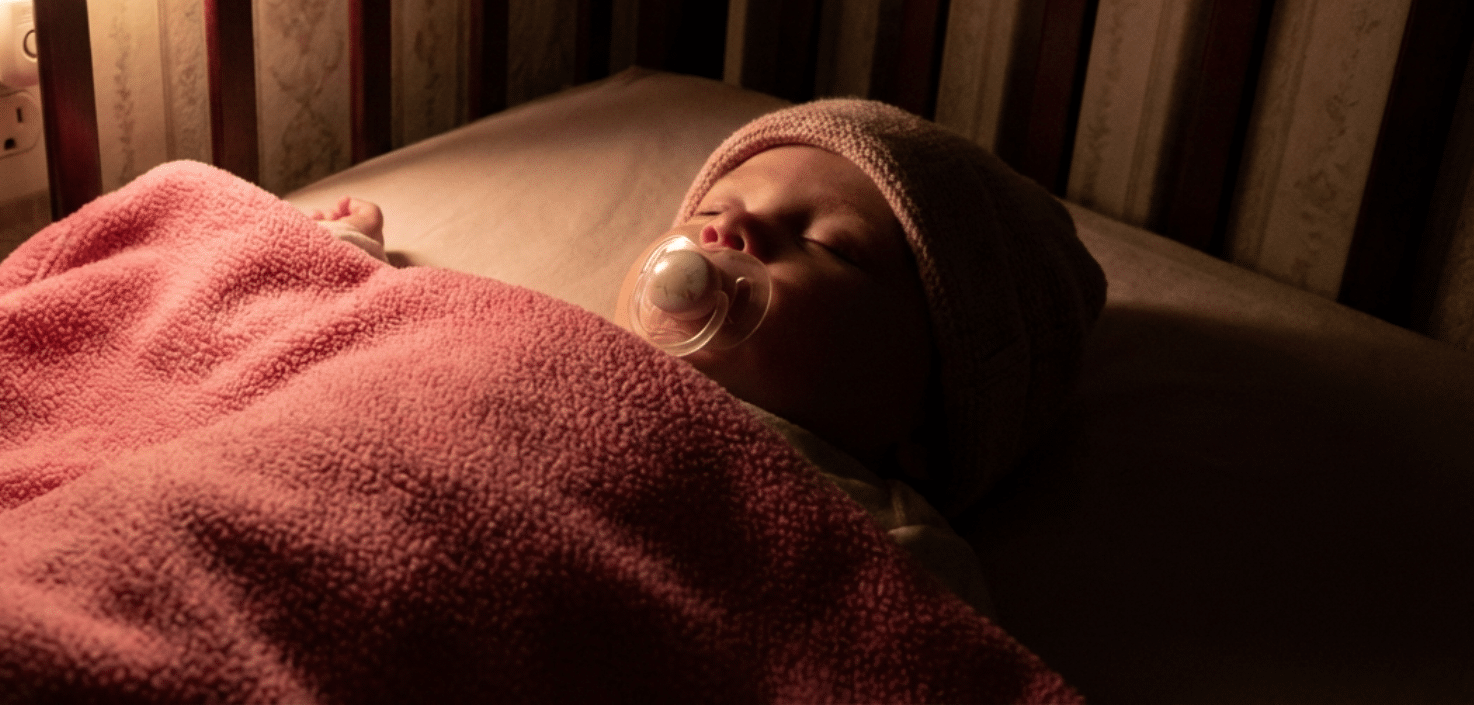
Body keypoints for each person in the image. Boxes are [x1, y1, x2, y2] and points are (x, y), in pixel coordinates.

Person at [314, 98, 1107, 616]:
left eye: (827, 243)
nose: (726, 234)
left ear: (928, 423)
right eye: (709, 211)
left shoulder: (878, 535)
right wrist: (344, 258)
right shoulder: (552, 336)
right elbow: (414, 339)